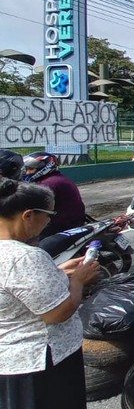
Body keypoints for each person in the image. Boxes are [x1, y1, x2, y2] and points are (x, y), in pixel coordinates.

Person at [0, 178, 100, 409]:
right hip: (37, 364)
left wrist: (56, 273)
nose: (49, 221)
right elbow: (58, 314)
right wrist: (78, 281)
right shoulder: (25, 257)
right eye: (49, 214)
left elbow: (13, 288)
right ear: (28, 215)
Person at [22, 152, 86, 237]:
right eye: (27, 169)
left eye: (31, 169)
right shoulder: (55, 178)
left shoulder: (49, 184)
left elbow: (31, 205)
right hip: (69, 223)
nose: (27, 173)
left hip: (60, 227)